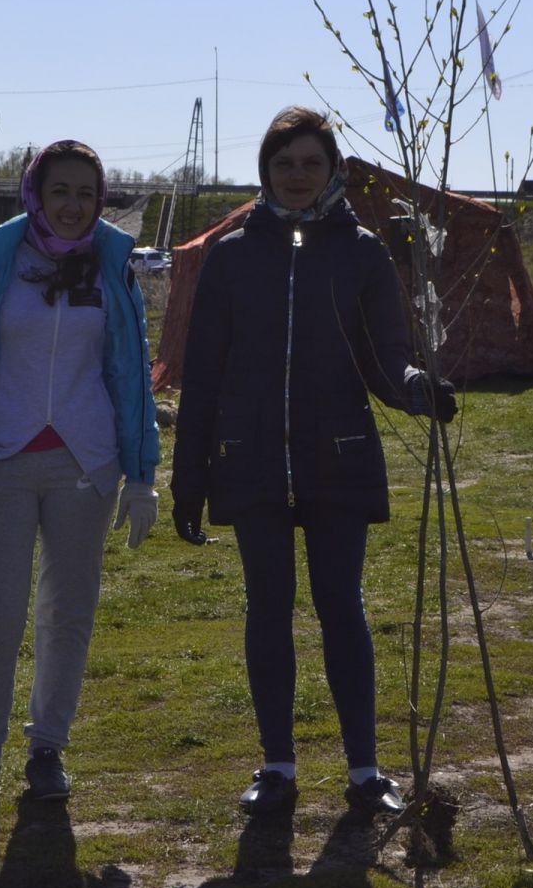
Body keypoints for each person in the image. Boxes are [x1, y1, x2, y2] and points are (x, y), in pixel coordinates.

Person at [170, 106, 456, 816]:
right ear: (265, 170)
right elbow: (201, 374)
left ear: (332, 172)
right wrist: (187, 477)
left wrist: (421, 391)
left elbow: (387, 361)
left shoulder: (361, 253)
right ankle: (277, 768)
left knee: (342, 609)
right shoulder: (231, 256)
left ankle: (366, 772)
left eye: (311, 163)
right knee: (268, 607)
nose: (298, 176)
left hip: (340, 457)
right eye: (285, 163)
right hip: (252, 458)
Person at [0, 139, 161, 803]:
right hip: (0, 458)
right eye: (60, 191)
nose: (72, 206)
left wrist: (141, 474)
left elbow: (132, 377)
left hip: (86, 462)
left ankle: (48, 748)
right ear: (35, 195)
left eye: (85, 193)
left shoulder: (115, 269)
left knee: (67, 612)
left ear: (99, 201)